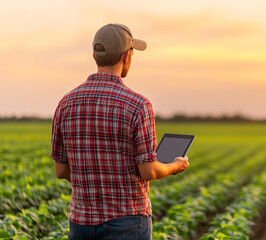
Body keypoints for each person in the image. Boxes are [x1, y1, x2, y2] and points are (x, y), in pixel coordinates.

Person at [50, 23, 189, 240]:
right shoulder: (137, 105)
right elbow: (148, 171)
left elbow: (60, 171)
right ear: (126, 56)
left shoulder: (66, 104)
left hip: (81, 222)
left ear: (95, 57)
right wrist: (174, 165)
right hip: (127, 221)